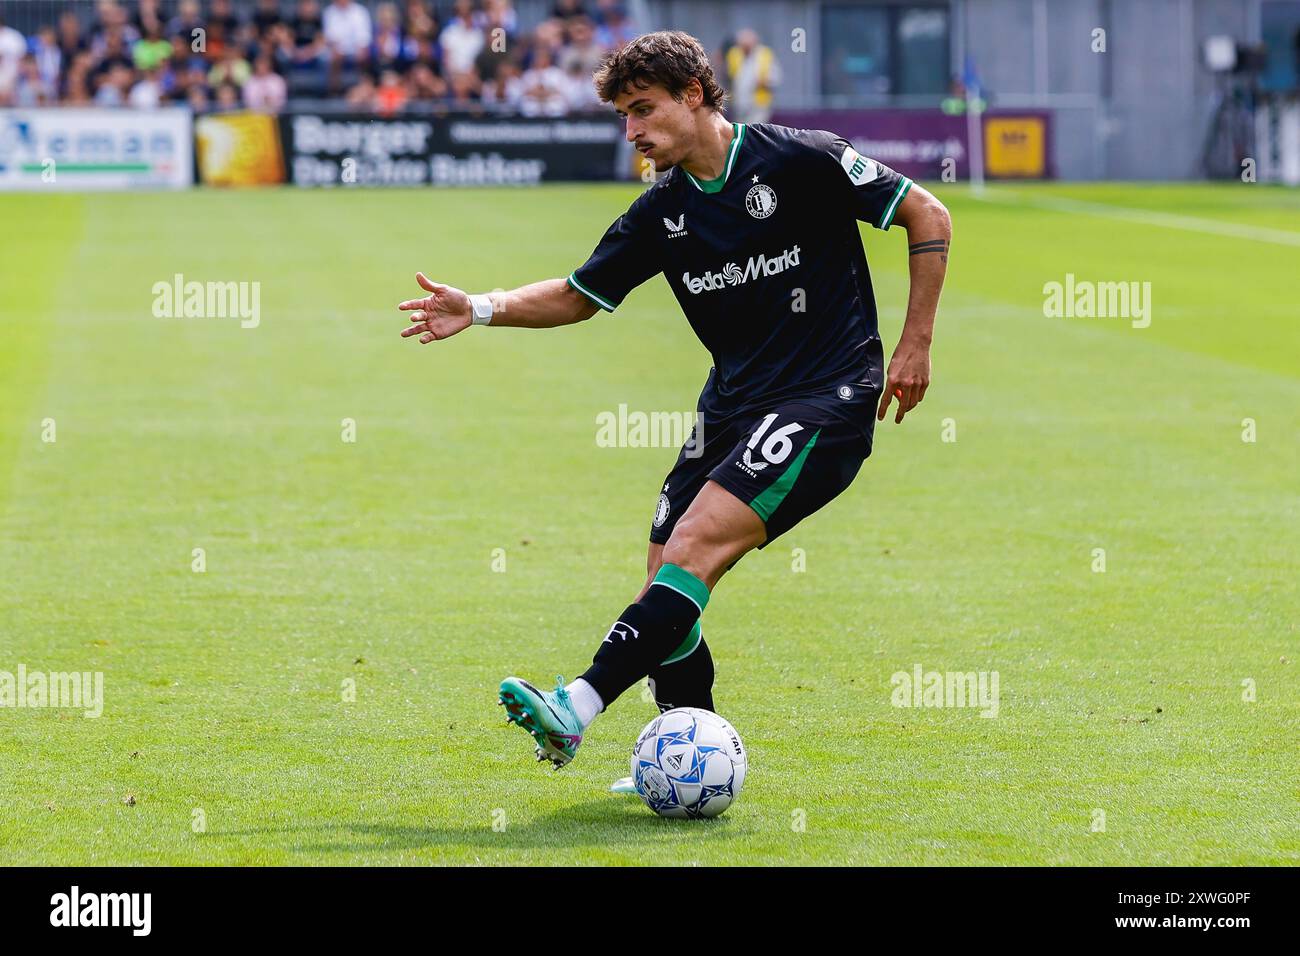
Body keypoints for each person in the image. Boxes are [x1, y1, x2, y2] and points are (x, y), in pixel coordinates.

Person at [393, 31, 951, 776]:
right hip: (730, 410)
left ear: (694, 94)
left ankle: (577, 705)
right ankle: (692, 755)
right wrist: (483, 307)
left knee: (692, 550)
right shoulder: (662, 212)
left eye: (643, 110)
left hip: (827, 398)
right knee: (664, 574)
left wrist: (914, 346)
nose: (632, 131)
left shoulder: (801, 158)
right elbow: (576, 295)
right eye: (623, 115)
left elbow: (928, 215)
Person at [723, 28, 779, 124]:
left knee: (755, 128)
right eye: (743, 45)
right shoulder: (734, 53)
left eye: (747, 45)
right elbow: (729, 76)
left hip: (759, 103)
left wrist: (764, 81)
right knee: (742, 129)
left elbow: (775, 77)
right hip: (739, 103)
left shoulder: (765, 54)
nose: (745, 48)